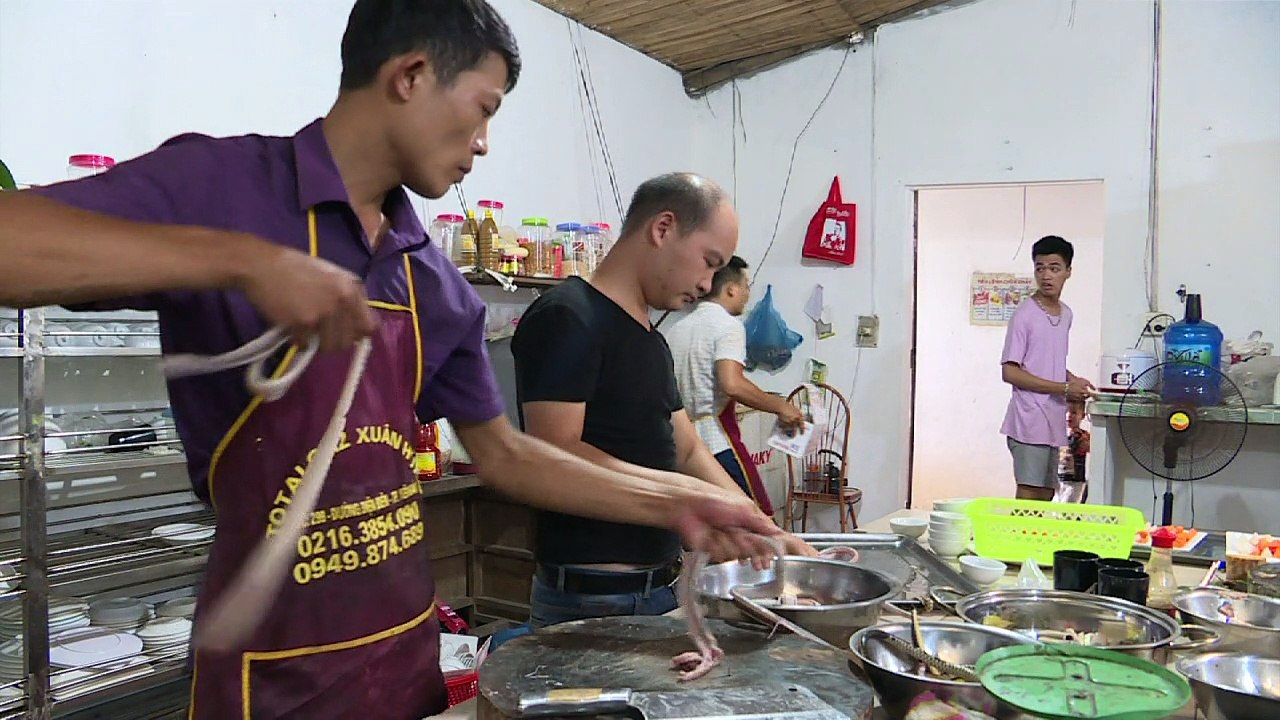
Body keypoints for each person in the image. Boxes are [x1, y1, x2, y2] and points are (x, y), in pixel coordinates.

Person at [0, 3, 779, 718]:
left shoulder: (432, 279)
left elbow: (508, 457)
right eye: (483, 109)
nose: (484, 142)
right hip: (273, 678)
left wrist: (676, 502)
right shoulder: (229, 190)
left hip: (403, 667)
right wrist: (241, 261)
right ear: (410, 75)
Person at [511, 173, 816, 629]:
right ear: (663, 228)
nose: (707, 284)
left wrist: (760, 525)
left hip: (660, 586)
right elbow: (556, 452)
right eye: (709, 263)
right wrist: (686, 501)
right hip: (593, 597)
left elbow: (688, 448)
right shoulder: (568, 315)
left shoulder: (652, 340)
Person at [663, 255, 805, 515]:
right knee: (755, 518)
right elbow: (732, 383)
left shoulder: (677, 329)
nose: (747, 295)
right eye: (746, 287)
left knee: (706, 523)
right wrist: (780, 406)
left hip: (679, 444)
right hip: (716, 440)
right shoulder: (728, 326)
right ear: (731, 289)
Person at [1000, 235, 1096, 501]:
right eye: (1040, 268)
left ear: (1068, 272)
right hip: (1028, 419)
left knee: (1045, 493)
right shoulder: (1024, 315)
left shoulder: (1066, 314)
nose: (1046, 275)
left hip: (1053, 419)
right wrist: (1064, 387)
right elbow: (1010, 372)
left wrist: (1073, 380)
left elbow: (1046, 362)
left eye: (1054, 268)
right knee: (1029, 493)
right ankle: (1016, 533)